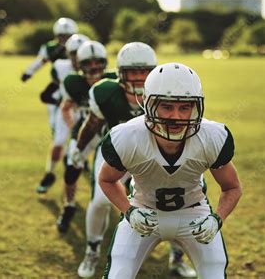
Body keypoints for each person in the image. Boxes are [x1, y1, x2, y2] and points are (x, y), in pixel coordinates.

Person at [99, 63, 242, 279]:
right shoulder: (128, 138)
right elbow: (106, 180)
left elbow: (232, 187)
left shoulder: (212, 137)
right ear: (149, 104)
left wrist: (216, 219)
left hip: (194, 213)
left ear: (196, 107)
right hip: (143, 211)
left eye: (185, 107)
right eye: (167, 106)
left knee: (215, 273)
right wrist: (129, 211)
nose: (176, 116)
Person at [72, 44, 196, 278]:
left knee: (180, 203)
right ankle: (92, 249)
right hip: (117, 152)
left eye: (144, 71)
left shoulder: (165, 90)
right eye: (133, 72)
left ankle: (177, 257)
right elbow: (91, 124)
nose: (139, 77)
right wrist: (79, 149)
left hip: (153, 154)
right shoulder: (105, 93)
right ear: (121, 73)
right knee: (99, 201)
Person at [56, 41, 117, 232]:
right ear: (79, 65)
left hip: (108, 134)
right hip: (84, 132)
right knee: (71, 170)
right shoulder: (73, 82)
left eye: (97, 63)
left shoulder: (114, 80)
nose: (93, 68)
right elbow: (65, 107)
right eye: (88, 64)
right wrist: (74, 127)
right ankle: (69, 205)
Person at [20, 18, 79, 194]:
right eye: (62, 36)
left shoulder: (81, 50)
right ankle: (52, 170)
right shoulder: (58, 61)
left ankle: (73, 157)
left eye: (68, 36)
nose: (65, 40)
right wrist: (28, 73)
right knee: (58, 137)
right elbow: (41, 61)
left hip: (80, 101)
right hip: (61, 95)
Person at [35, 33, 90, 193]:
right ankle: (49, 173)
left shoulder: (94, 69)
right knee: (59, 142)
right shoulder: (60, 67)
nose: (76, 58)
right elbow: (50, 90)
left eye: (79, 53)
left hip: (86, 112)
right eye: (73, 53)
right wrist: (52, 98)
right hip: (66, 109)